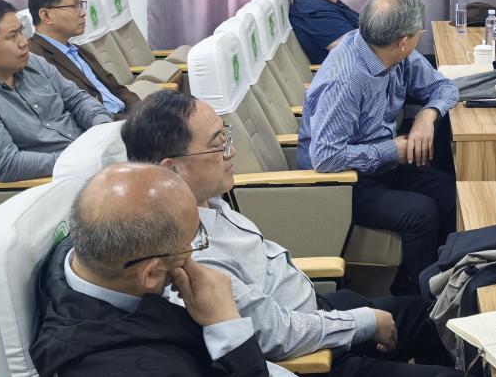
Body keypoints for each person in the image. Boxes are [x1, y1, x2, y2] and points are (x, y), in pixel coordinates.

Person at [122, 90, 459, 376]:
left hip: (319, 312)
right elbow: (276, 335)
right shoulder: (191, 255)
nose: (231, 151)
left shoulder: (207, 199)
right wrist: (364, 323)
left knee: (442, 312)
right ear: (172, 169)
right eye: (217, 145)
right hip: (312, 355)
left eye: (226, 137)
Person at [31, 163, 285, 376]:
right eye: (191, 243)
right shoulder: (137, 367)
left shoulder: (82, 252)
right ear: (150, 274)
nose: (194, 252)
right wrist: (227, 323)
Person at [297, 0, 458, 292]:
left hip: (382, 166)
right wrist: (391, 150)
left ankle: (449, 282)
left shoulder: (394, 53)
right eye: (419, 33)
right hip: (342, 183)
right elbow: (326, 157)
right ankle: (417, 297)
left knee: (451, 194)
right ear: (404, 41)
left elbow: (445, 88)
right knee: (421, 212)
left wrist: (427, 115)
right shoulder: (346, 80)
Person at [0, 0, 112, 182]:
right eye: (12, 36)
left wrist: (103, 129)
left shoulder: (32, 62)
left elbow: (77, 100)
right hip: (58, 180)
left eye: (21, 31)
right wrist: (80, 161)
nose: (24, 42)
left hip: (91, 157)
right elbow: (8, 165)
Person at [27, 0, 138, 120]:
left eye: (81, 4)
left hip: (129, 119)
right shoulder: (35, 59)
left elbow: (118, 89)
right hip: (105, 125)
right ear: (46, 16)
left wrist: (141, 111)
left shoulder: (78, 50)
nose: (83, 13)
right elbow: (69, 115)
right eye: (74, 6)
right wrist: (131, 123)